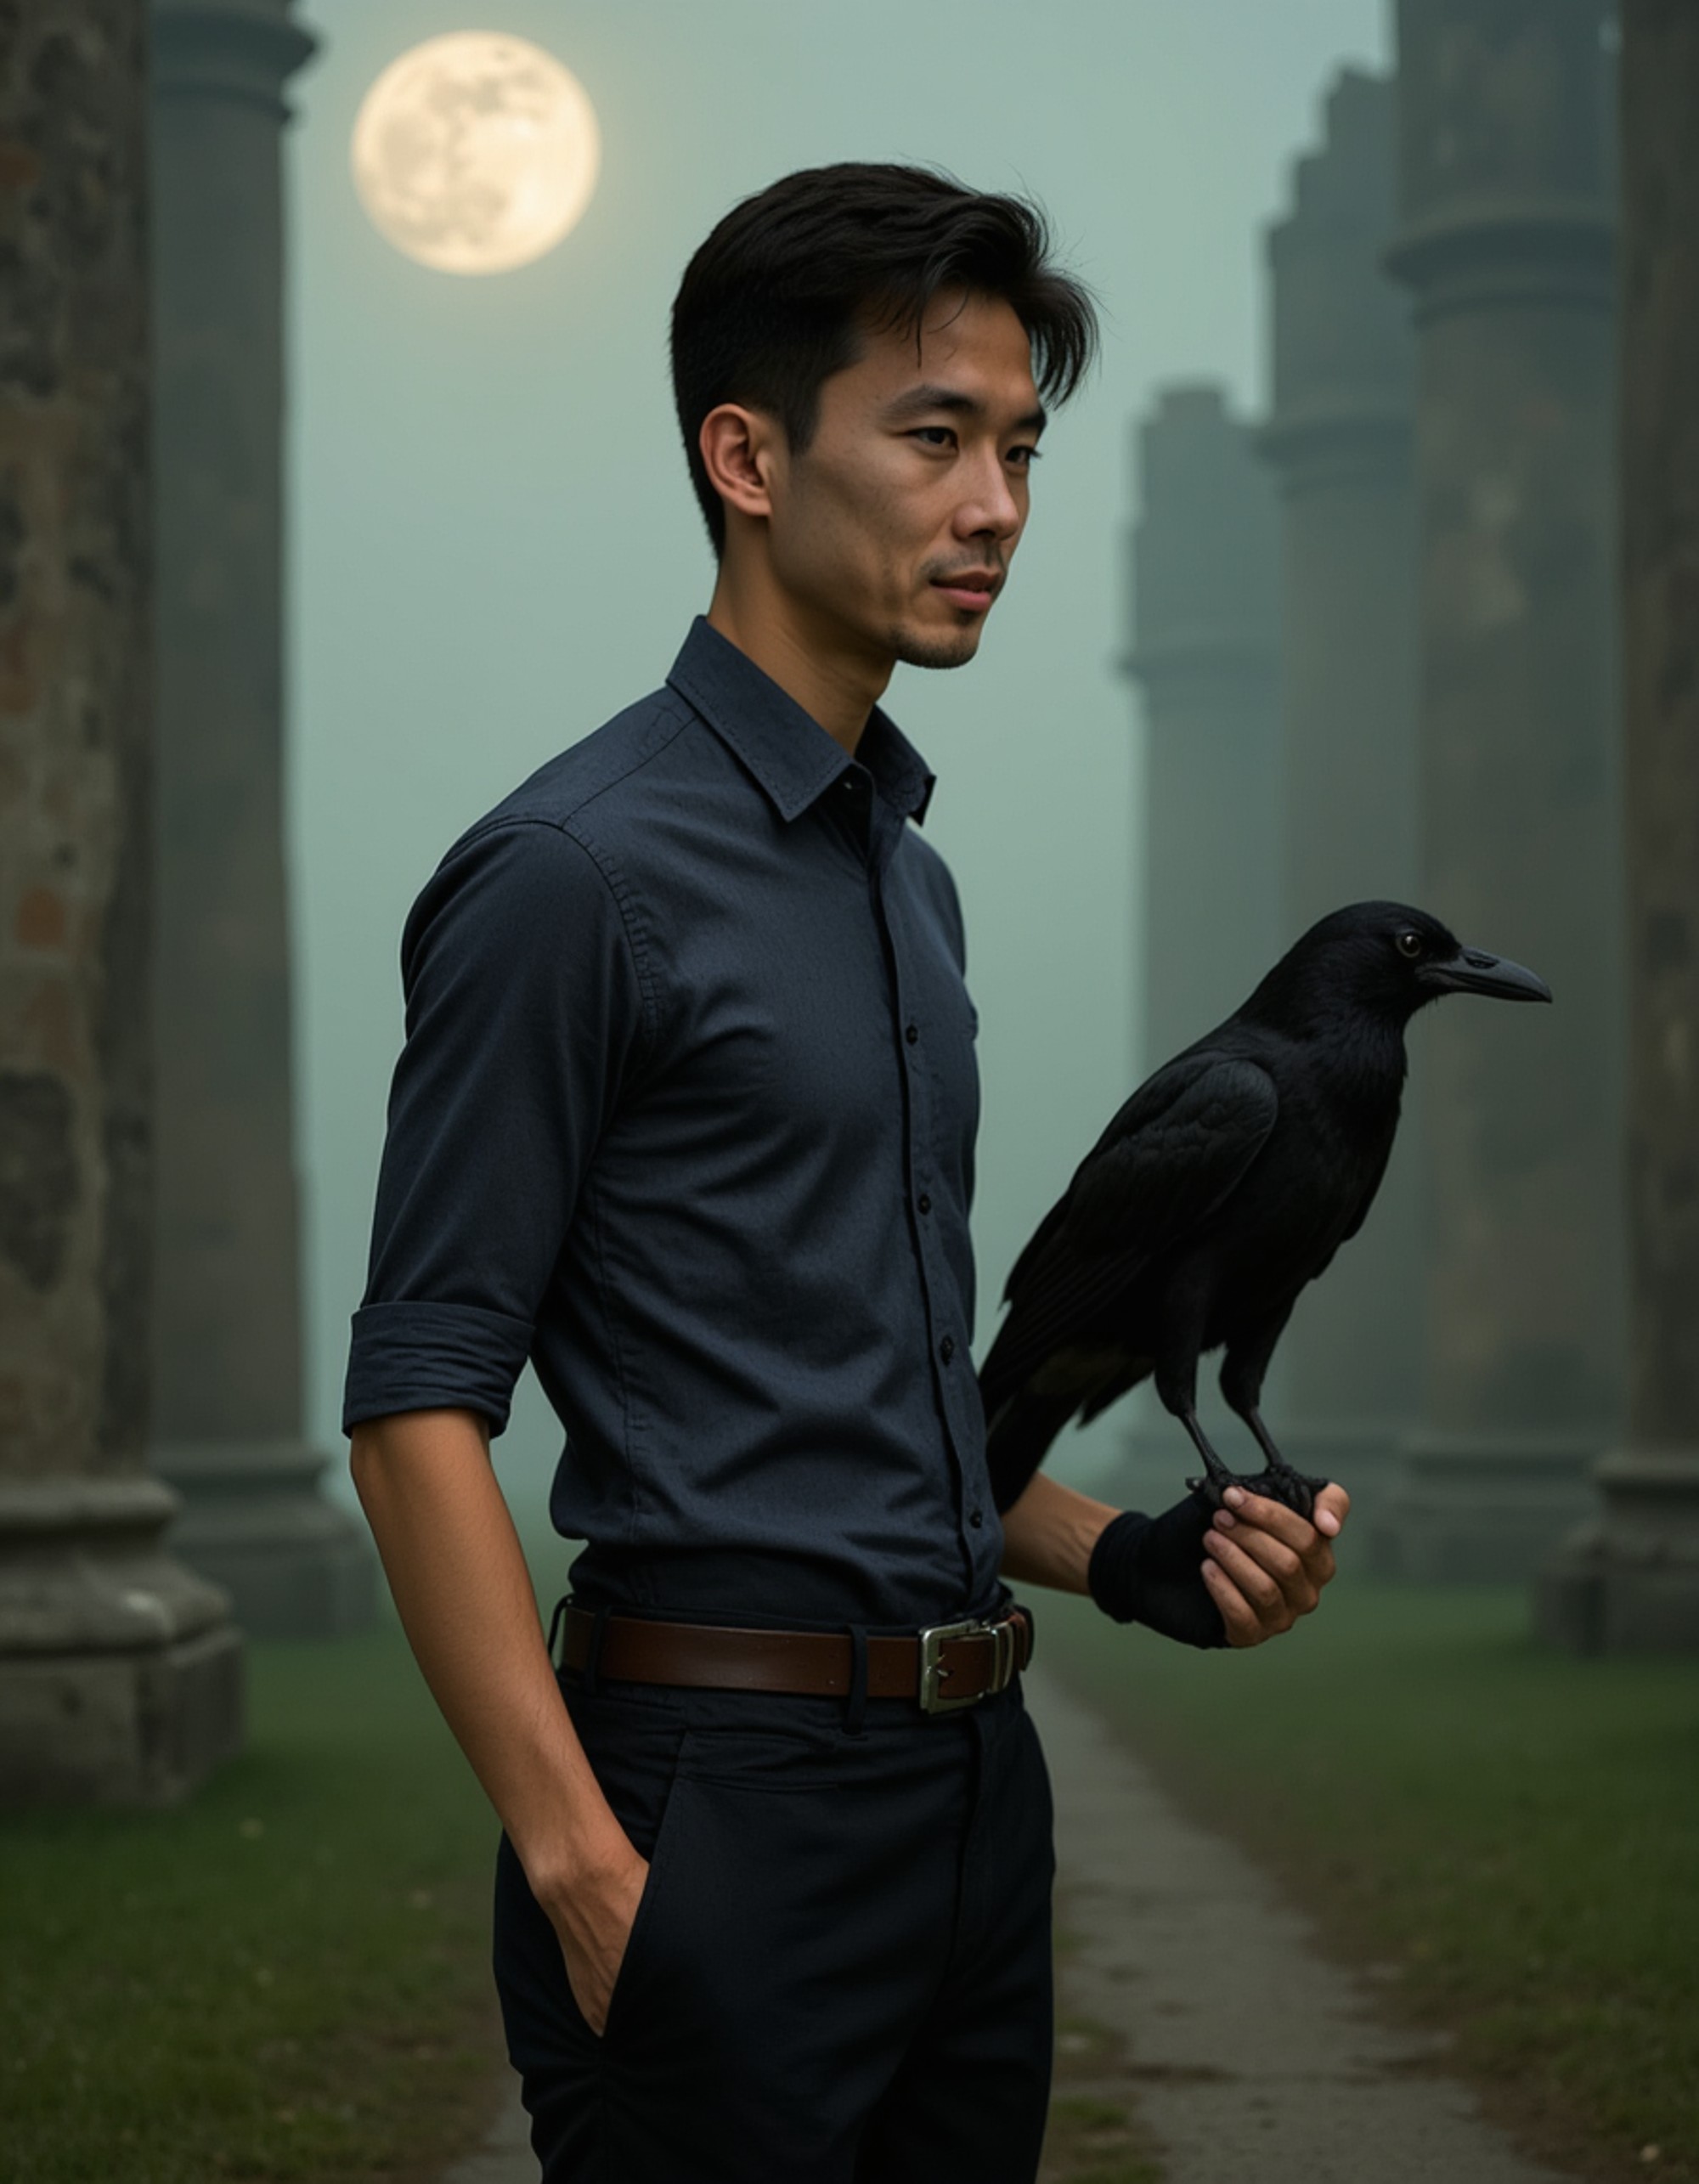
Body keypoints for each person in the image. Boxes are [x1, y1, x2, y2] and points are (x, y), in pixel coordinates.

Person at [345, 163, 1350, 2184]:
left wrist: (1137, 1560)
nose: (995, 506)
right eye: (932, 438)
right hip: (713, 1803)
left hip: (971, 1798)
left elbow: (869, 1413)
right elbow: (415, 1403)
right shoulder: (570, 880)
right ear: (743, 453)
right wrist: (578, 1858)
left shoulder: (912, 886)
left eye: (1018, 448)